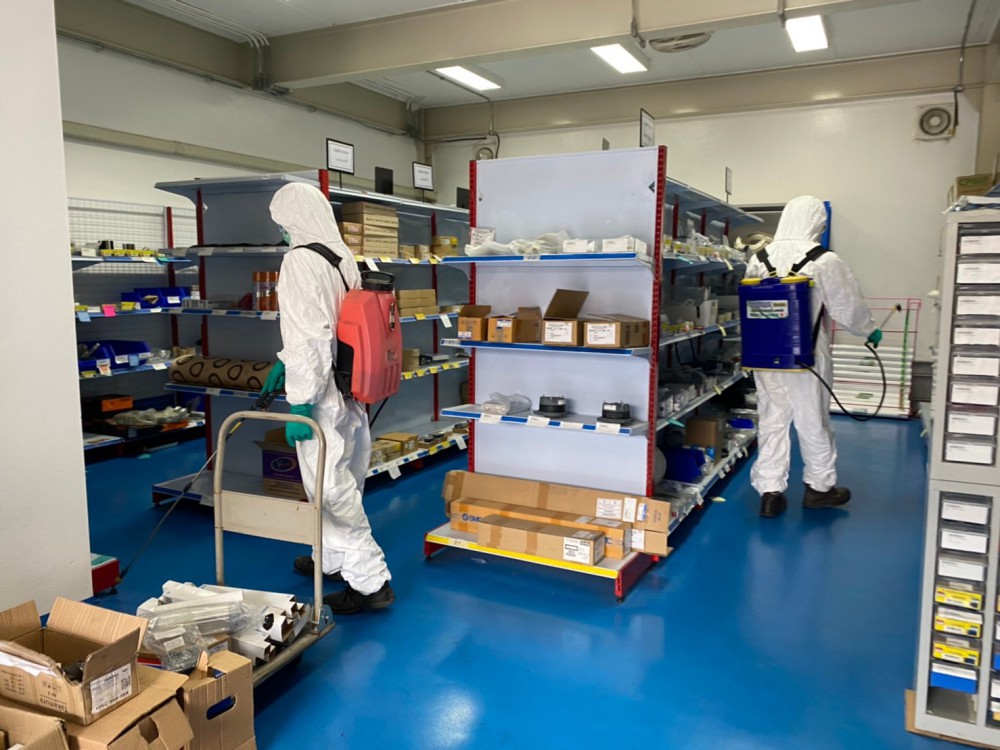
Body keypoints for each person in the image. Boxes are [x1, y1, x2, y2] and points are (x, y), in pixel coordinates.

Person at [261, 182, 394, 613]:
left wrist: (300, 400)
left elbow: (309, 337)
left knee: (330, 488)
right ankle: (332, 558)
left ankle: (370, 582)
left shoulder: (300, 260)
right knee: (344, 475)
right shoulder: (341, 256)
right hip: (349, 386)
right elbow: (335, 324)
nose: (281, 231)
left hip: (320, 393)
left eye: (281, 223)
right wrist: (285, 361)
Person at [743, 195, 882, 518]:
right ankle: (819, 489)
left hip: (765, 355)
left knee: (772, 420)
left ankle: (770, 493)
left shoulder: (758, 258)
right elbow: (847, 307)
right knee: (813, 420)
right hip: (807, 358)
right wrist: (868, 330)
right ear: (816, 222)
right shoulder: (824, 260)